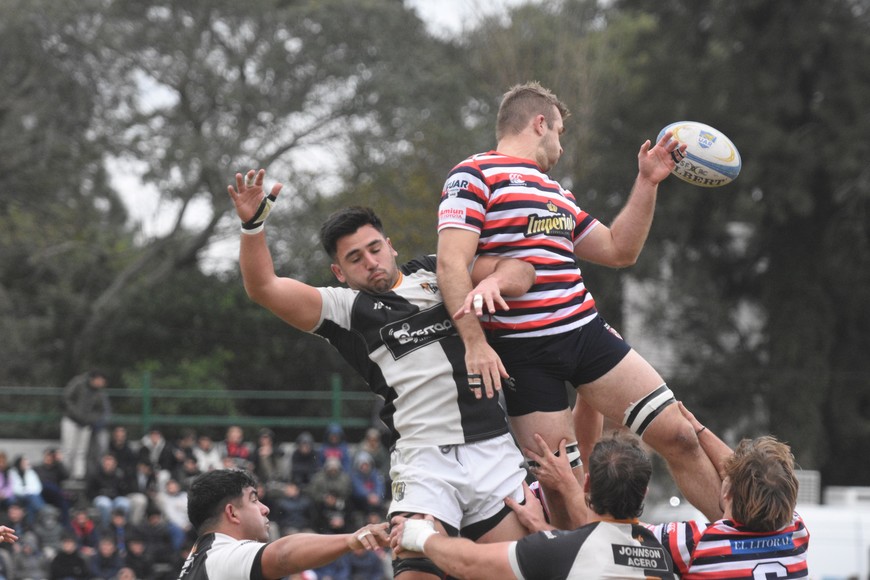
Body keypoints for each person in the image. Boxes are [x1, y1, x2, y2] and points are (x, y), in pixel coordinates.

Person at [434, 80, 723, 521]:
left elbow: (618, 249)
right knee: (563, 492)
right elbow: (451, 265)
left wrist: (647, 181)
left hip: (585, 334)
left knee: (681, 436)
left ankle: (737, 547)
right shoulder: (472, 175)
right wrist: (476, 343)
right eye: (560, 133)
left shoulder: (558, 193)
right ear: (540, 123)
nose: (561, 148)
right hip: (523, 354)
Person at [228, 182, 536, 578]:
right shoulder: (344, 308)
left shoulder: (436, 269)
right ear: (339, 272)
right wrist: (253, 226)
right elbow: (263, 287)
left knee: (529, 571)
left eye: (374, 249)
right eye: (355, 259)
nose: (370, 262)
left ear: (390, 246)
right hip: (425, 461)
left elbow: (521, 268)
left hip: (493, 448)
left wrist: (493, 282)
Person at [390, 432, 676, 579]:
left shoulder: (561, 550)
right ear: (644, 493)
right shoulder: (660, 557)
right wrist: (543, 528)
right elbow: (603, 552)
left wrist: (420, 536)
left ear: (586, 484)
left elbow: (469, 564)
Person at [643, 405, 810, 578]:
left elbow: (627, 533)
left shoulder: (696, 542)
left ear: (727, 489)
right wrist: (701, 431)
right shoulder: (795, 531)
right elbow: (755, 480)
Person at [177, 469, 389, 579]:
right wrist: (351, 540)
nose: (265, 508)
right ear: (232, 513)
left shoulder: (204, 558)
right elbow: (283, 555)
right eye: (254, 499)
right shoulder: (220, 557)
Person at [61, 369, 111, 480]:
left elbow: (101, 411)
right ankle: (64, 474)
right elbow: (66, 398)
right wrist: (77, 415)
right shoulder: (79, 383)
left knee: (81, 451)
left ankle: (78, 476)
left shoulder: (100, 393)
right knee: (68, 449)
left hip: (86, 424)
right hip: (71, 420)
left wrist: (89, 419)